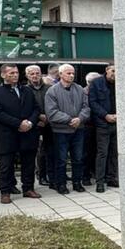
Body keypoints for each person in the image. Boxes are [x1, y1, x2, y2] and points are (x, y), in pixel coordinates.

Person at [0, 63, 41, 203]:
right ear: (3, 75)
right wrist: (18, 124)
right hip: (8, 134)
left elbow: (36, 109)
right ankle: (5, 191)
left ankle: (28, 188)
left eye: (16, 72)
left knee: (29, 162)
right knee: (6, 164)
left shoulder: (27, 90)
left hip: (28, 132)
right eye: (11, 73)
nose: (15, 75)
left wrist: (29, 122)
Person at [45, 64, 90, 194]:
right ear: (60, 74)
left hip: (78, 129)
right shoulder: (52, 91)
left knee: (78, 158)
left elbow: (86, 107)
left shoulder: (80, 89)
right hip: (61, 131)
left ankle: (77, 182)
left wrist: (80, 119)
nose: (71, 75)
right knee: (61, 159)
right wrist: (70, 119)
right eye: (68, 73)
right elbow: (52, 112)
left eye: (73, 73)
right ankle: (61, 184)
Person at [89, 64, 119, 192]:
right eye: (113, 70)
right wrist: (105, 115)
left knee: (114, 153)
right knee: (102, 153)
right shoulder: (96, 83)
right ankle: (100, 182)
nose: (115, 73)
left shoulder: (121, 82)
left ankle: (111, 178)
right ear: (106, 71)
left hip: (117, 122)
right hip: (103, 123)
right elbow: (93, 102)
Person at [26, 65, 54, 187]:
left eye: (37, 73)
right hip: (34, 124)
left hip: (50, 123)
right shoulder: (25, 90)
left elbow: (54, 104)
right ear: (27, 76)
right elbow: (25, 108)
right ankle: (41, 175)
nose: (35, 76)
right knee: (38, 152)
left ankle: (52, 175)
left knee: (50, 150)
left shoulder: (50, 88)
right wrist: (37, 119)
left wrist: (48, 117)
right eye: (31, 74)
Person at [81, 71, 101, 186]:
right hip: (87, 126)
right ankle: (85, 176)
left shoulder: (99, 92)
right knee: (86, 153)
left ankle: (94, 172)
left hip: (99, 125)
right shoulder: (83, 93)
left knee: (97, 151)